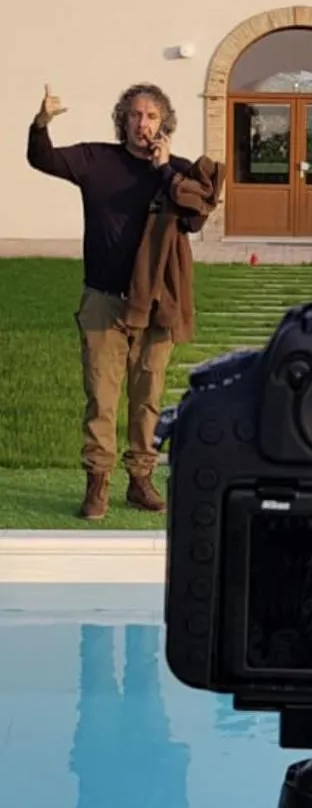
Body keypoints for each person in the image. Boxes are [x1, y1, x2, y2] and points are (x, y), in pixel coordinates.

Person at [27, 82, 223, 521]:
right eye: (135, 115)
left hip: (157, 305)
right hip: (104, 299)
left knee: (147, 396)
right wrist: (41, 124)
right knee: (101, 396)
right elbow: (43, 158)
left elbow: (196, 216)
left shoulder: (179, 171)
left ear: (164, 124)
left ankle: (140, 481)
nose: (143, 124)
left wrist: (165, 170)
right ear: (123, 121)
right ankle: (97, 483)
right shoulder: (98, 160)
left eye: (152, 116)